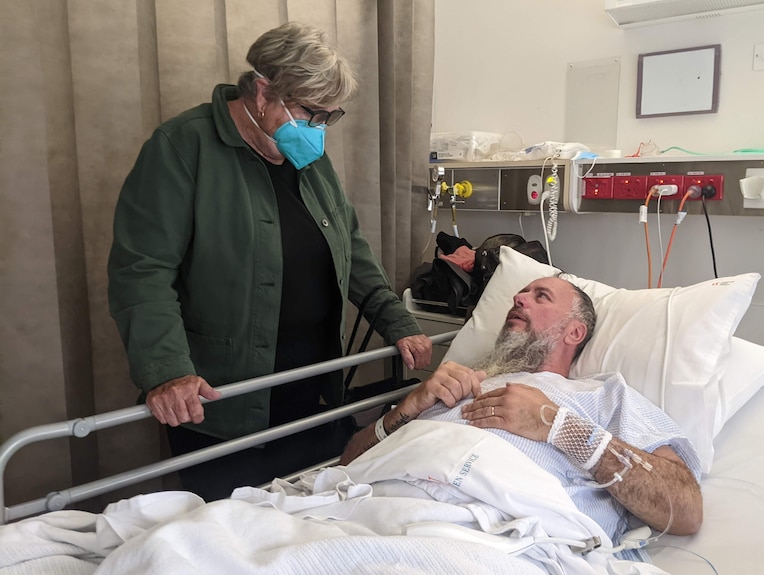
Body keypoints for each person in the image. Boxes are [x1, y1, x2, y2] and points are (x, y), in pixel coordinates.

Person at [108, 22, 432, 501]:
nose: (318, 128)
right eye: (309, 112)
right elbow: (142, 270)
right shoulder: (183, 148)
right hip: (227, 401)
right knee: (234, 533)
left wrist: (397, 321)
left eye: (329, 116)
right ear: (263, 92)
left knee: (315, 517)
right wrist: (167, 370)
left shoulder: (307, 158)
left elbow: (351, 248)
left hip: (314, 390)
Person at [341, 275, 703, 548]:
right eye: (522, 292)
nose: (518, 298)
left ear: (575, 332)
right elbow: (345, 467)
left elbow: (684, 510)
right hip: (361, 509)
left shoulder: (603, 395)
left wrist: (556, 424)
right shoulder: (461, 381)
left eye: (540, 296)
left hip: (476, 536)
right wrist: (405, 409)